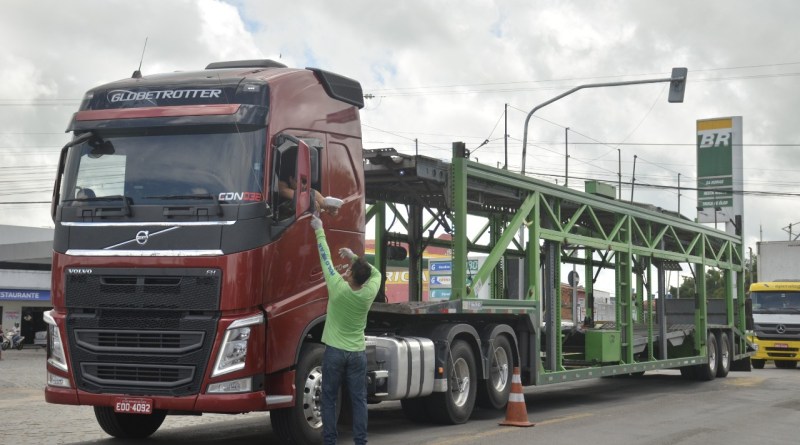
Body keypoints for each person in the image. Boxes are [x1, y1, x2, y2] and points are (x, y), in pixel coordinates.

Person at [311, 213, 381, 445]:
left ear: (350, 276)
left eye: (350, 269)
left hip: (334, 352)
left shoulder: (338, 288)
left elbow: (325, 259)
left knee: (329, 398)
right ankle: (360, 441)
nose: (347, 270)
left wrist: (319, 229)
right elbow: (376, 273)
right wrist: (355, 258)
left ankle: (330, 441)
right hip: (357, 354)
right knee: (359, 399)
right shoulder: (368, 292)